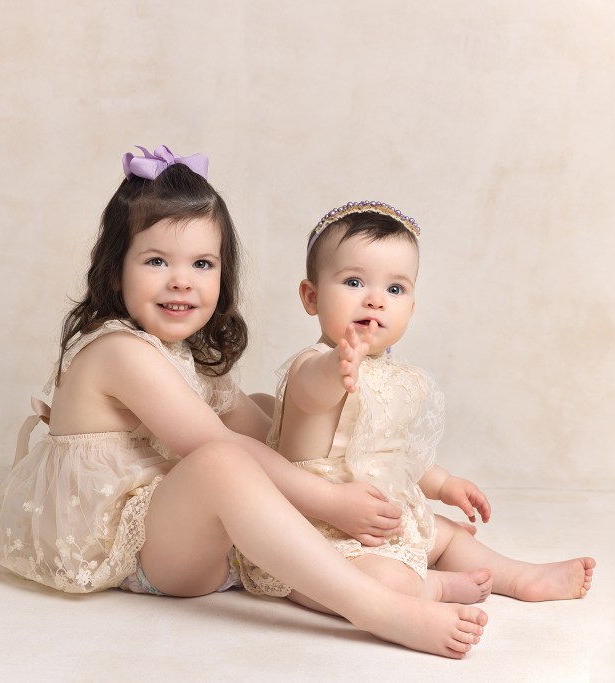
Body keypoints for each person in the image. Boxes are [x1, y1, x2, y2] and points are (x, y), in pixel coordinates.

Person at [0, 148, 488, 658]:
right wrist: (329, 502)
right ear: (115, 271)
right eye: (157, 261)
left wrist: (354, 466)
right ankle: (376, 607)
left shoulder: (186, 353)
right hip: (128, 551)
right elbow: (220, 447)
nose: (182, 280)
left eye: (202, 263)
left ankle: (359, 551)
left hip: (181, 532)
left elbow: (270, 437)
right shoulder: (119, 351)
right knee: (222, 460)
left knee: (269, 410)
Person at [235, 201, 595, 614]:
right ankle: (433, 587)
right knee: (379, 580)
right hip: (316, 531)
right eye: (354, 282)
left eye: (395, 289)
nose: (375, 300)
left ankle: (518, 576)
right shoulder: (314, 365)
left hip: (382, 519)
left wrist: (443, 484)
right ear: (311, 296)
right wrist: (338, 365)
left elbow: (394, 453)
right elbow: (312, 392)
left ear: (410, 307)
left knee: (448, 536)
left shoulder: (396, 375)